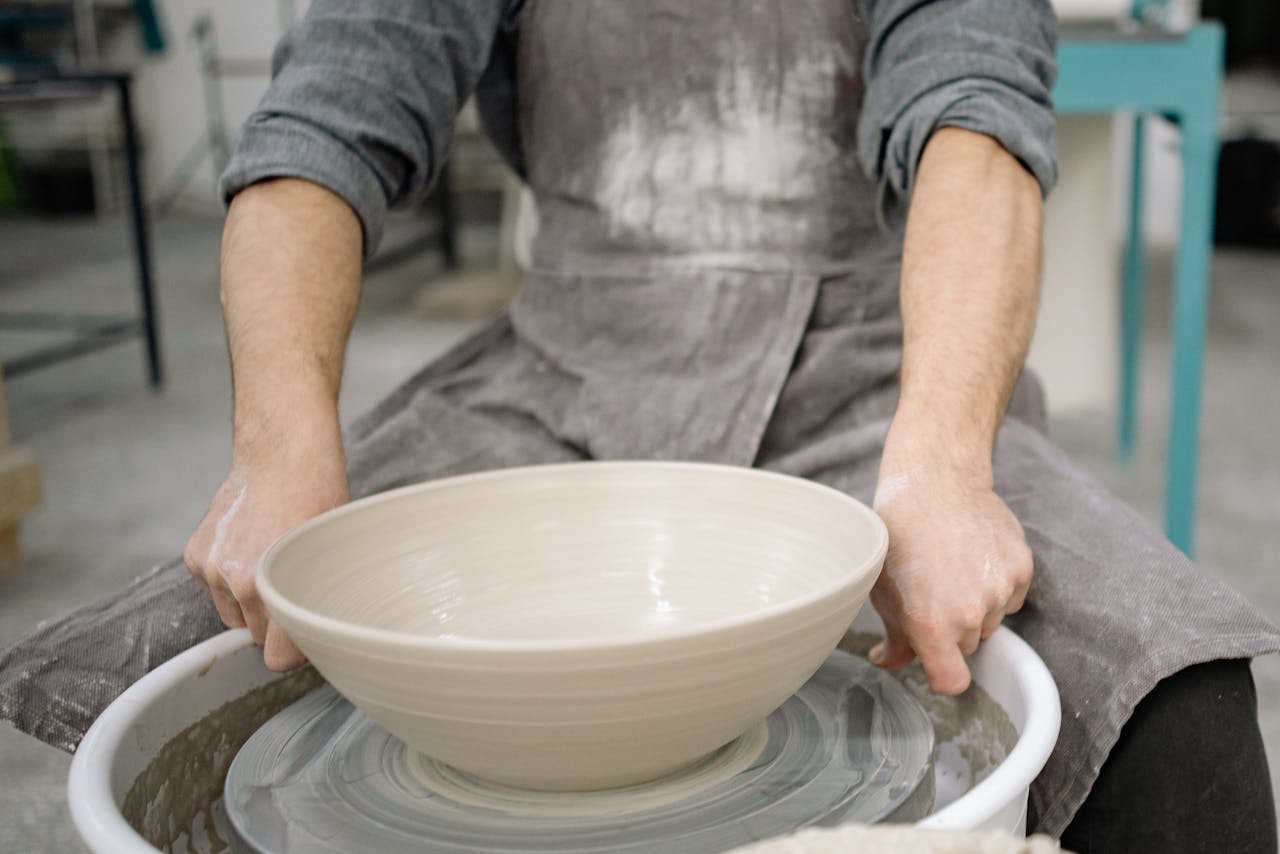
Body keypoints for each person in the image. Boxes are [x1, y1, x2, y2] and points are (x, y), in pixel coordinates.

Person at [0, 1, 1276, 852]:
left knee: (1175, 713)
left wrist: (940, 464)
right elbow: (316, 136)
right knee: (174, 678)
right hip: (562, 373)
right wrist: (279, 448)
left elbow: (976, 115)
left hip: (877, 374)